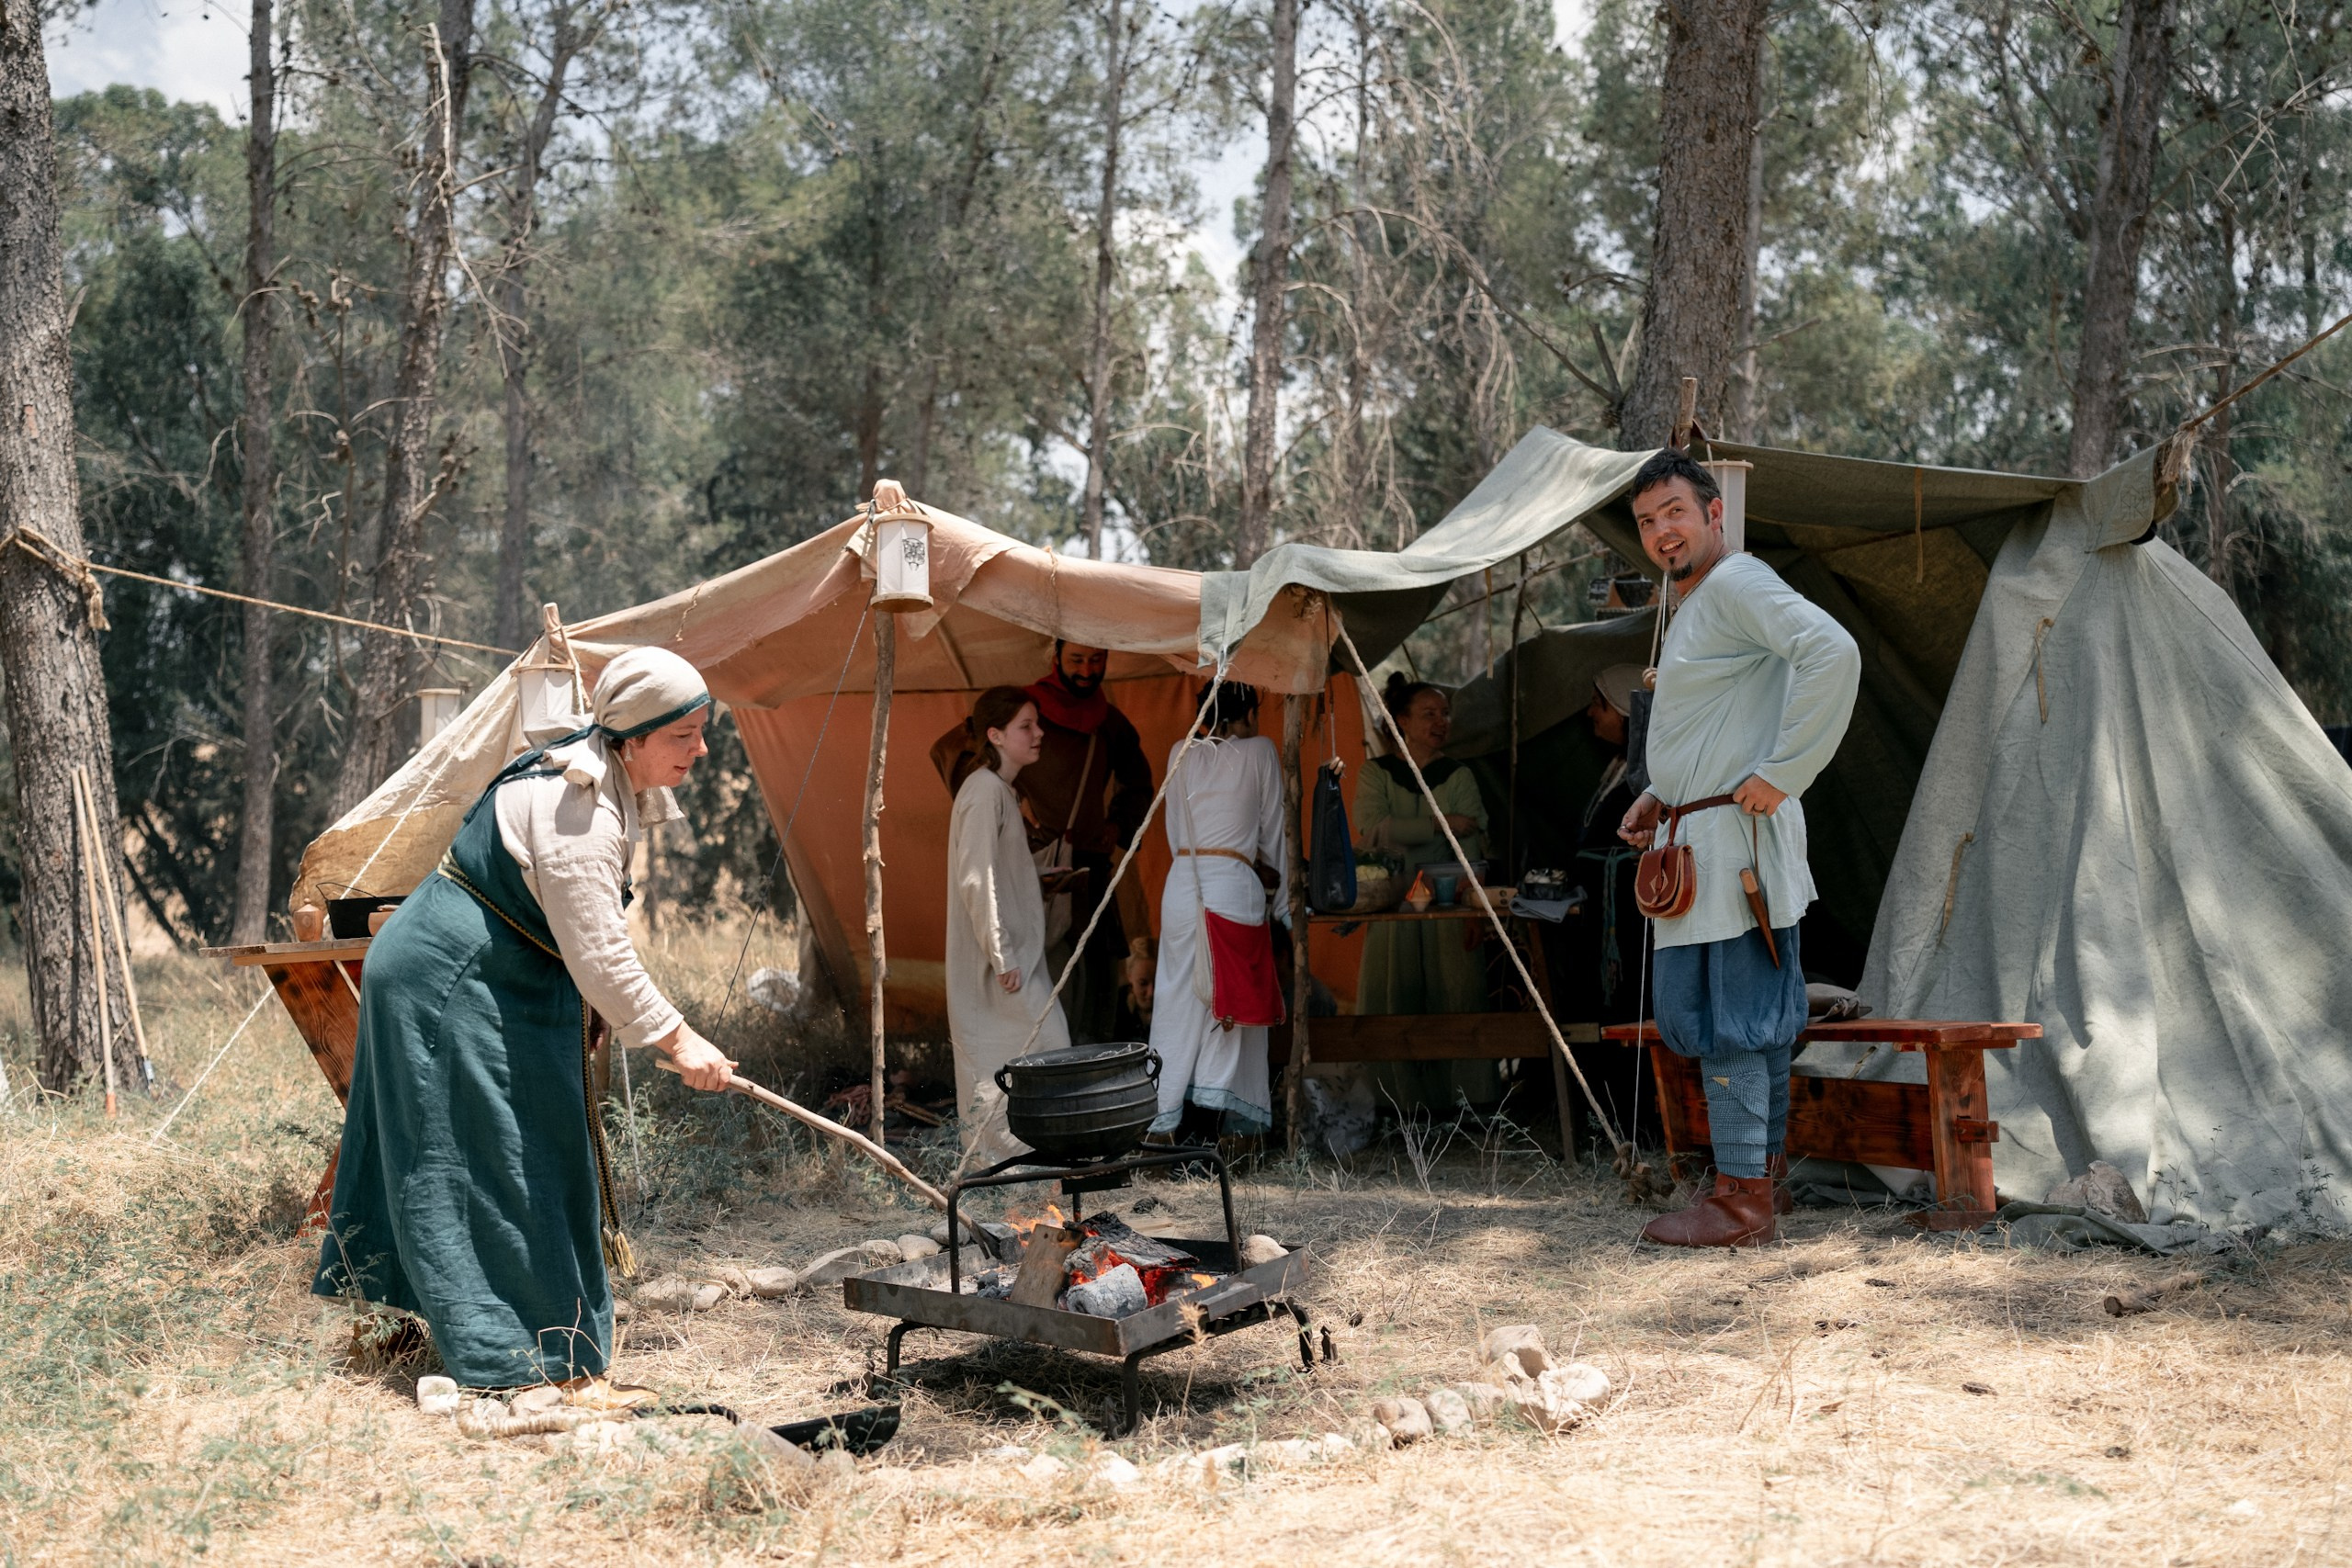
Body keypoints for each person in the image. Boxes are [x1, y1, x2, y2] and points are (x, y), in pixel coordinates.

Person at [315, 649, 736, 1397]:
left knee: (514, 1146)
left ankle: (490, 1329)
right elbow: (601, 951)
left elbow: (582, 933)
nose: (701, 750)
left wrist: (599, 1010)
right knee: (481, 1160)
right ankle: (511, 1351)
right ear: (634, 736)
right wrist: (680, 1037)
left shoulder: (606, 772)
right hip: (447, 980)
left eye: (704, 731)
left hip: (498, 971)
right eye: (686, 735)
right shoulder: (580, 806)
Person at [1618, 450, 1860, 1247]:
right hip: (1701, 836)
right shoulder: (1699, 601)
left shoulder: (1738, 582)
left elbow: (1835, 651)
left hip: (1737, 846)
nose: (1662, 531)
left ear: (1714, 514)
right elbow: (1723, 720)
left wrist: (1784, 771)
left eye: (1675, 513)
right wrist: (1663, 792)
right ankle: (1762, 1183)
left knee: (1735, 1020)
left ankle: (1741, 1200)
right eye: (1648, 521)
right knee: (1726, 1016)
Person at [930, 642, 1155, 1042]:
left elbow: (1137, 782)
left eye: (1096, 660)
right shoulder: (1022, 711)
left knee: (1097, 985)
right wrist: (1008, 800)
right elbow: (953, 752)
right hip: (1030, 872)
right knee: (1047, 991)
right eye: (1077, 661)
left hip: (1088, 871)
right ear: (1056, 658)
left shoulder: (1109, 722)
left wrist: (1117, 827)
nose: (1087, 670)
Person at [1147, 681, 1288, 1144]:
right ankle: (1202, 1135)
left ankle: (1170, 1117)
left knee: (1179, 1004)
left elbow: (1173, 833)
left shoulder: (1179, 751)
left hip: (1182, 882)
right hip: (1232, 886)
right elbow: (1273, 834)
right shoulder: (1261, 750)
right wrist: (1283, 896)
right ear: (1248, 710)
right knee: (1227, 1009)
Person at [1353, 674, 1496, 1109]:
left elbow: (1473, 839)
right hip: (1392, 905)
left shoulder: (1458, 775)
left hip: (1449, 904)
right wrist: (1439, 823)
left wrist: (1476, 909)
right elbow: (1372, 832)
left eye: (1445, 714)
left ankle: (1466, 1106)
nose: (1441, 722)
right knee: (1392, 999)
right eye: (1429, 714)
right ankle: (1396, 1106)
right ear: (1402, 722)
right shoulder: (1376, 773)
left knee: (1457, 996)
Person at [944, 686, 1072, 1170]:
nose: (1038, 733)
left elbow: (996, 871)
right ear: (995, 735)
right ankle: (996, 1169)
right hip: (997, 964)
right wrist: (1001, 955)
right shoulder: (982, 791)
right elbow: (975, 878)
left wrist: (1035, 877)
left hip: (1012, 957)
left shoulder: (997, 790)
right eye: (1026, 726)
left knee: (1039, 1052)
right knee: (1016, 1058)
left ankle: (1030, 1164)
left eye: (1036, 724)